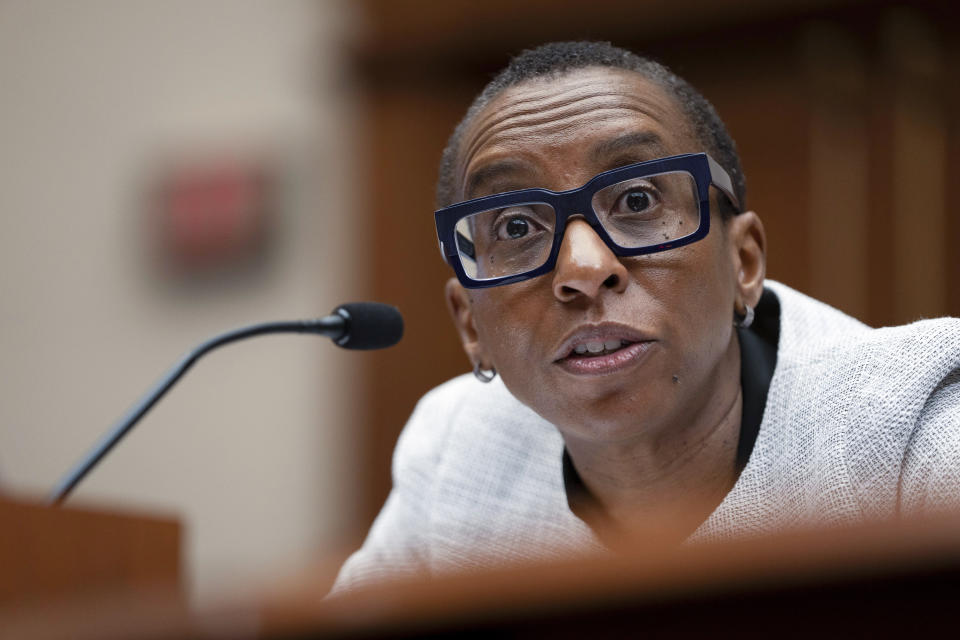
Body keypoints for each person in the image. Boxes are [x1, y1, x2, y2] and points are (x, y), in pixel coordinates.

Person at [331, 41, 960, 592]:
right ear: (471, 324)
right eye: (517, 226)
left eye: (637, 200)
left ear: (743, 262)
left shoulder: (912, 429)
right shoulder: (456, 453)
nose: (582, 267)